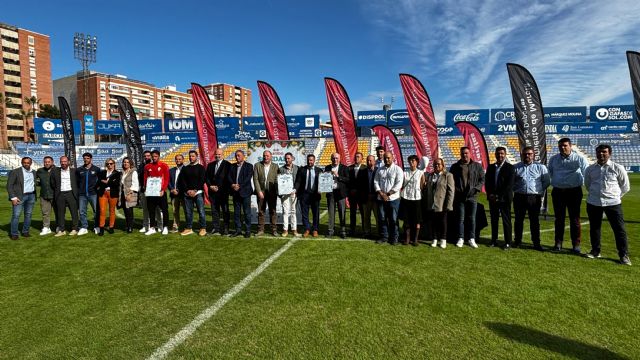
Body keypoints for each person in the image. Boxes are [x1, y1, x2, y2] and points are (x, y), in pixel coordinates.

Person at [584, 144, 631, 265]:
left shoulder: (617, 167)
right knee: (594, 228)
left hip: (613, 203)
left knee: (619, 229)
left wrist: (614, 196)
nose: (601, 154)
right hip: (594, 202)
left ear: (609, 153)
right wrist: (596, 195)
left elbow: (625, 186)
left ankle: (623, 255)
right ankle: (595, 251)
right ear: (596, 153)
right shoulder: (590, 169)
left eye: (604, 152)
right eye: (599, 152)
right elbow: (588, 185)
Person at [548, 138, 588, 253]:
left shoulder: (579, 158)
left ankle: (576, 244)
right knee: (559, 219)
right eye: (560, 146)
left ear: (571, 146)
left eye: (565, 145)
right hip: (558, 192)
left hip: (574, 192)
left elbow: (586, 172)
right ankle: (558, 243)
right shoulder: (554, 159)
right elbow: (550, 172)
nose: (562, 147)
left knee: (574, 219)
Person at [513, 146, 550, 251]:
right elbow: (512, 182)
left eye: (529, 154)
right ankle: (517, 241)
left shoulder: (541, 167)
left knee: (534, 221)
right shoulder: (516, 167)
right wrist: (517, 189)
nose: (527, 156)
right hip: (519, 197)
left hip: (534, 198)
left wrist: (539, 191)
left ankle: (536, 243)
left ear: (533, 155)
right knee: (518, 220)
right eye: (525, 154)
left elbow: (546, 181)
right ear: (522, 155)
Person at [449, 147, 485, 248]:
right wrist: (456, 190)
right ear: (460, 155)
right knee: (460, 219)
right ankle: (460, 238)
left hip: (472, 197)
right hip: (460, 197)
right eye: (463, 153)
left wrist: (475, 189)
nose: (464, 155)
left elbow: (482, 179)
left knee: (472, 218)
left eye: (466, 153)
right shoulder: (455, 166)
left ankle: (471, 238)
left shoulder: (477, 166)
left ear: (470, 154)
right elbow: (451, 181)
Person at [485, 147, 515, 249]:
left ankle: (508, 242)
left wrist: (498, 196)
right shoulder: (491, 167)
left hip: (504, 199)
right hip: (492, 199)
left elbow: (509, 185)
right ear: (495, 154)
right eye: (498, 153)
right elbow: (487, 182)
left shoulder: (510, 167)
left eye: (502, 153)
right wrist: (490, 194)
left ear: (505, 154)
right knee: (494, 220)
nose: (500, 155)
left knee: (506, 220)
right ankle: (494, 240)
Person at [423, 158, 454, 248]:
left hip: (442, 203)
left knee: (442, 222)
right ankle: (434, 238)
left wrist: (449, 204)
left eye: (439, 164)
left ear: (442, 165)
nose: (437, 166)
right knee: (433, 222)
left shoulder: (448, 175)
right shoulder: (430, 175)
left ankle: (443, 239)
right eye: (435, 164)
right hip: (431, 203)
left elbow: (451, 191)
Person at [374, 151, 403, 245]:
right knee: (382, 218)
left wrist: (388, 194)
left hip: (393, 199)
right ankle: (384, 237)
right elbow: (375, 182)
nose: (386, 160)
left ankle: (394, 238)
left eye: (388, 158)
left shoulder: (398, 169)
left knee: (393, 219)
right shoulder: (380, 170)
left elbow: (398, 184)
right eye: (385, 158)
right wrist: (381, 194)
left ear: (392, 158)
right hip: (381, 198)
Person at [7, 157, 37, 240]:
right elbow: (9, 186)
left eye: (28, 163)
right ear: (21, 162)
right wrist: (13, 197)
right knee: (16, 215)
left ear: (31, 163)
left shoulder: (34, 172)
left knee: (28, 215)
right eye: (24, 162)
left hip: (31, 196)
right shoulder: (15, 172)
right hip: (19, 197)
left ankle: (25, 231)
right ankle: (14, 233)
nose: (26, 164)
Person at [178, 150, 207, 236]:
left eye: (193, 156)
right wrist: (187, 190)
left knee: (201, 211)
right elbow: (182, 181)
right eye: (190, 156)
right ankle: (189, 228)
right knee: (188, 212)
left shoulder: (201, 168)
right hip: (187, 194)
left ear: (197, 156)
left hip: (198, 193)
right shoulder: (185, 168)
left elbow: (202, 180)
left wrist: (195, 190)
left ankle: (203, 228)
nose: (191, 157)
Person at [50, 156, 79, 236]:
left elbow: (78, 182)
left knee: (74, 212)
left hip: (71, 193)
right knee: (60, 213)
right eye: (62, 161)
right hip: (60, 194)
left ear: (68, 162)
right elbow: (52, 183)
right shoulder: (55, 171)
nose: (63, 163)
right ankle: (61, 230)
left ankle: (75, 229)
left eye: (65, 161)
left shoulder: (74, 171)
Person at [143, 150, 170, 235]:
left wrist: (163, 189)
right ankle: (152, 228)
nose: (154, 158)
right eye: (153, 156)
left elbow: (166, 179)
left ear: (158, 156)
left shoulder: (164, 165)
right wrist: (146, 189)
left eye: (156, 156)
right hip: (151, 193)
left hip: (160, 192)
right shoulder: (147, 166)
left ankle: (165, 227)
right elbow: (145, 179)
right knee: (151, 210)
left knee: (164, 210)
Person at [400, 155, 425, 246]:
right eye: (410, 161)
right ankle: (407, 238)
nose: (412, 162)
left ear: (417, 162)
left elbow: (422, 186)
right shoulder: (405, 173)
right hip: (406, 198)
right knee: (406, 219)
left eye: (413, 161)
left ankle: (415, 239)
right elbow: (402, 184)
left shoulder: (420, 173)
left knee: (417, 220)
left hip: (416, 198)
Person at [205, 148, 231, 235]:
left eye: (219, 154)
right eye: (216, 154)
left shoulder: (228, 165)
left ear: (223, 155)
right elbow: (207, 177)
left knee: (225, 211)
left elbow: (229, 179)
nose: (217, 156)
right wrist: (210, 186)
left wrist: (219, 187)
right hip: (213, 193)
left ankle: (226, 228)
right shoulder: (210, 165)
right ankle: (216, 228)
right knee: (214, 211)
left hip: (223, 192)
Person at [253, 150, 279, 236]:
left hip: (272, 193)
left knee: (273, 211)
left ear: (271, 156)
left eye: (267, 156)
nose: (265, 157)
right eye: (264, 156)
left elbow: (277, 180)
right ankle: (260, 229)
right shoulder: (257, 165)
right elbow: (255, 179)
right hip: (261, 192)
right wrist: (259, 191)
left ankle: (274, 229)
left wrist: (279, 191)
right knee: (261, 211)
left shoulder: (276, 166)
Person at [295, 154, 322, 237]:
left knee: (315, 213)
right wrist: (295, 189)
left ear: (314, 161)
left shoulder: (319, 170)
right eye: (308, 160)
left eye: (311, 160)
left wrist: (322, 189)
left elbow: (323, 182)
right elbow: (298, 181)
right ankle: (307, 228)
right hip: (304, 194)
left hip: (315, 195)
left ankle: (315, 229)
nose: (309, 162)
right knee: (304, 213)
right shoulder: (302, 170)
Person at [228, 149, 253, 238]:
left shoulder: (249, 166)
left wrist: (239, 185)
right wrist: (232, 185)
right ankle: (238, 230)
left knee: (247, 212)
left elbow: (248, 178)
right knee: (236, 213)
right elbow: (229, 177)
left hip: (245, 192)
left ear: (243, 156)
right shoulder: (232, 166)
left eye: (238, 155)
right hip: (235, 193)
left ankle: (247, 230)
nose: (237, 157)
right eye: (236, 155)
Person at [325, 152, 349, 238]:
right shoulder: (327, 167)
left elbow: (347, 180)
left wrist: (338, 176)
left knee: (342, 212)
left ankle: (342, 231)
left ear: (340, 159)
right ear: (331, 159)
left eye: (336, 158)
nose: (335, 160)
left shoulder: (345, 168)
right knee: (331, 213)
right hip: (330, 193)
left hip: (341, 193)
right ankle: (330, 231)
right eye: (333, 158)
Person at [76, 152, 100, 236]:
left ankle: (97, 226)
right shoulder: (79, 170)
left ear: (91, 159)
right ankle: (84, 227)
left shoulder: (96, 169)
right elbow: (77, 182)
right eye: (84, 158)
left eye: (87, 158)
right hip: (82, 194)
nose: (86, 160)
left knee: (96, 211)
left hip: (93, 194)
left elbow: (100, 181)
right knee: (82, 211)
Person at [138, 150, 162, 232]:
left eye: (148, 156)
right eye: (145, 156)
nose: (146, 157)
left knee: (156, 208)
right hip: (144, 190)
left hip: (154, 191)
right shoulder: (141, 166)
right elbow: (140, 178)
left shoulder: (154, 165)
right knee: (145, 209)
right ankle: (146, 225)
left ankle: (159, 225)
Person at [96, 158, 121, 235]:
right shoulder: (102, 172)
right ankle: (101, 228)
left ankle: (111, 227)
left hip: (112, 193)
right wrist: (109, 182)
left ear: (114, 164)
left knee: (112, 210)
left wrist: (107, 182)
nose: (109, 165)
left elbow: (116, 184)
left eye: (111, 163)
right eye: (107, 164)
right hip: (103, 193)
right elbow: (99, 182)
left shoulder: (117, 173)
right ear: (105, 165)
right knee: (102, 211)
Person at [279, 152, 299, 237]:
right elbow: (278, 182)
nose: (287, 160)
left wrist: (295, 189)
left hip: (294, 193)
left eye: (288, 158)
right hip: (284, 194)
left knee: (293, 211)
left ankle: (294, 229)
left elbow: (298, 181)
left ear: (292, 158)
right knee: (285, 212)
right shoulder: (281, 169)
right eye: (286, 158)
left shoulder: (297, 168)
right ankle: (285, 230)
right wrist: (280, 192)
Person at [359, 155, 379, 239]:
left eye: (371, 161)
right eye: (368, 161)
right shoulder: (362, 171)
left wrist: (376, 194)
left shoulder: (378, 171)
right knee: (366, 217)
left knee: (378, 217)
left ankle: (379, 232)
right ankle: (367, 232)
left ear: (374, 162)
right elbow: (360, 185)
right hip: (366, 198)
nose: (369, 162)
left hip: (376, 198)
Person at [35, 156, 56, 235]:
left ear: (52, 162)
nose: (47, 163)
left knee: (58, 212)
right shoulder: (40, 171)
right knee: (45, 213)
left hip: (55, 195)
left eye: (48, 161)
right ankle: (46, 227)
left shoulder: (57, 170)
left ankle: (59, 226)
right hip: (44, 195)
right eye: (45, 162)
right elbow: (35, 180)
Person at [118, 157, 139, 233]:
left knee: (129, 211)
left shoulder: (133, 172)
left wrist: (130, 193)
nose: (125, 163)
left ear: (130, 163)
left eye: (127, 162)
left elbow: (135, 184)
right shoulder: (123, 172)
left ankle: (130, 227)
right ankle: (127, 225)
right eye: (124, 162)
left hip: (129, 194)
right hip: (123, 194)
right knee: (125, 210)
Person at [348, 152, 366, 236]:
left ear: (362, 159)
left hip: (362, 195)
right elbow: (347, 181)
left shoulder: (365, 168)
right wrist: (350, 190)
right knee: (352, 213)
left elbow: (366, 182)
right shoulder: (349, 168)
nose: (356, 158)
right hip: (352, 195)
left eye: (358, 157)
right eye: (355, 157)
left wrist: (358, 190)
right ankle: (352, 229)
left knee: (363, 213)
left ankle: (364, 229)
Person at [168, 154, 185, 233]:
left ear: (183, 160)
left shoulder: (186, 169)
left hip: (184, 194)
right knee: (175, 211)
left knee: (187, 211)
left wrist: (179, 190)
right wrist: (171, 189)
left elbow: (187, 183)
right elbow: (168, 181)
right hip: (173, 194)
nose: (178, 161)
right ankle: (175, 226)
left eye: (180, 159)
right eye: (176, 159)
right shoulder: (171, 170)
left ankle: (188, 226)